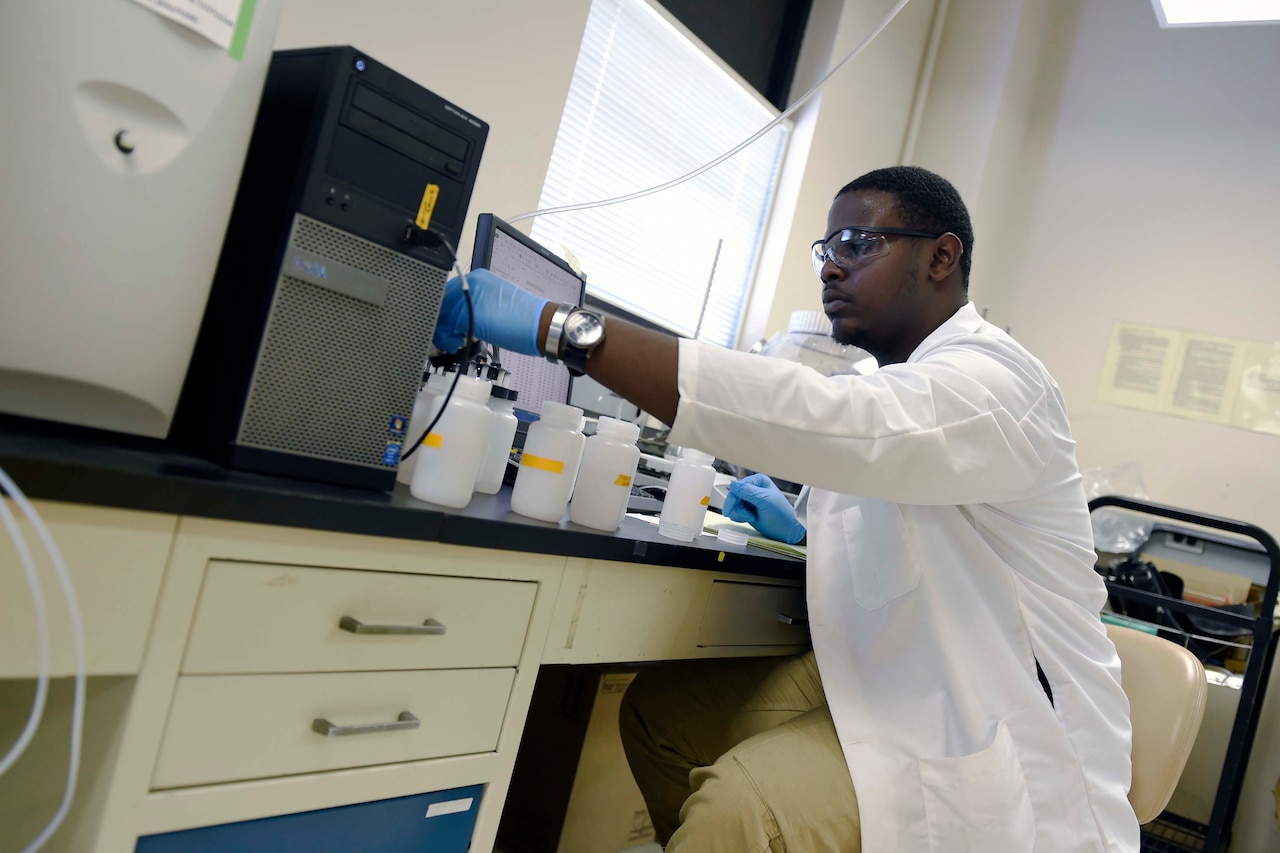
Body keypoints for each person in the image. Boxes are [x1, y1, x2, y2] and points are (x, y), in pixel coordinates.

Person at [432, 166, 1138, 852]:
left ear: (941, 257)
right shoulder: (892, 379)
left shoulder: (996, 380)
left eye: (857, 245)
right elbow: (893, 480)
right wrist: (806, 527)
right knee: (660, 716)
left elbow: (843, 425)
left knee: (742, 808)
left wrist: (565, 330)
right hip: (905, 667)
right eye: (826, 250)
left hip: (994, 721)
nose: (832, 267)